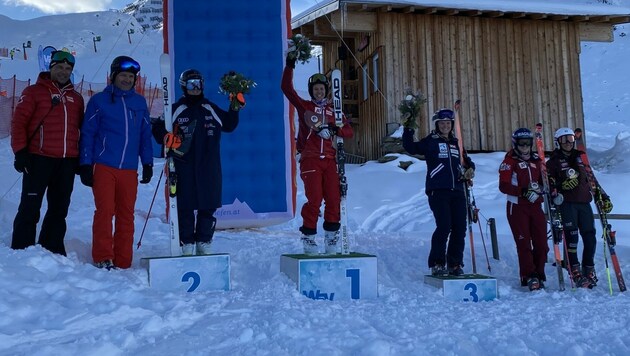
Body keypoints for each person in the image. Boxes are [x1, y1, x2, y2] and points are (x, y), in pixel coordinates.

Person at [152, 69, 242, 256]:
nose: (195, 88)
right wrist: (166, 137)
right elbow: (158, 126)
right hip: (183, 166)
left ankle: (204, 241)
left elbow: (229, 125)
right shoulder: (177, 108)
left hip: (208, 167)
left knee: (207, 206)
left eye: (198, 84)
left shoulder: (209, 108)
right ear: (184, 86)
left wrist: (234, 106)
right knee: (184, 206)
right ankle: (186, 244)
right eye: (191, 85)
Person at [79, 55, 153, 270]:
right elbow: (88, 133)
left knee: (126, 214)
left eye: (131, 76)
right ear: (113, 76)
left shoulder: (139, 103)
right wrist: (85, 164)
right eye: (123, 75)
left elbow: (144, 135)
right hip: (104, 165)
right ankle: (103, 256)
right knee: (104, 211)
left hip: (129, 169)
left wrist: (147, 163)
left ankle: (123, 259)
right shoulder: (99, 101)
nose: (127, 80)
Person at [10, 50, 84, 256]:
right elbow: (18, 123)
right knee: (30, 206)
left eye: (68, 69)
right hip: (38, 159)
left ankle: (51, 248)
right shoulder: (34, 92)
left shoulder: (76, 98)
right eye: (59, 67)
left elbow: (81, 129)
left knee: (59, 208)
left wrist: (80, 158)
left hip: (66, 161)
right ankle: (22, 248)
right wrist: (20, 152)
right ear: (50, 67)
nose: (63, 72)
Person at [281, 56, 354, 255]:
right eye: (315, 89)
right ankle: (309, 237)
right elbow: (287, 89)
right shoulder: (305, 106)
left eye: (322, 88)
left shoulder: (334, 111)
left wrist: (334, 128)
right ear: (312, 91)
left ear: (326, 90)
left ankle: (331, 237)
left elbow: (348, 131)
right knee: (314, 199)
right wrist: (290, 65)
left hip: (330, 160)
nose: (319, 91)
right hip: (310, 158)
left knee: (333, 198)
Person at [402, 108, 475, 276]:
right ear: (437, 124)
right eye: (442, 123)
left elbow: (467, 162)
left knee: (459, 228)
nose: (445, 126)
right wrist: (408, 128)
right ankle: (437, 263)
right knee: (444, 226)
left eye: (448, 123)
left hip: (457, 190)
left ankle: (455, 264)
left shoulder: (457, 143)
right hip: (438, 190)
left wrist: (470, 169)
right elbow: (411, 147)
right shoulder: (431, 141)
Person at [547, 127, 613, 288]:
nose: (568, 143)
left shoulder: (581, 158)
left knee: (590, 238)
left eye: (570, 139)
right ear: (558, 142)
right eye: (564, 140)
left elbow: (591, 180)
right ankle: (574, 269)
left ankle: (588, 269)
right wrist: (561, 186)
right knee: (572, 237)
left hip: (584, 203)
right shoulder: (553, 162)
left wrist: (603, 196)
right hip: (567, 204)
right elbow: (549, 185)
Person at [498, 128, 548, 290]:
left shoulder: (537, 161)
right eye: (522, 144)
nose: (525, 147)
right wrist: (523, 192)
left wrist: (543, 190)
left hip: (535, 206)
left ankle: (539, 273)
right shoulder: (509, 161)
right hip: (517, 207)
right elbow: (503, 185)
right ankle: (529, 275)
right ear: (515, 144)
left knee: (541, 243)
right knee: (524, 243)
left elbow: (544, 182)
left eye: (528, 143)